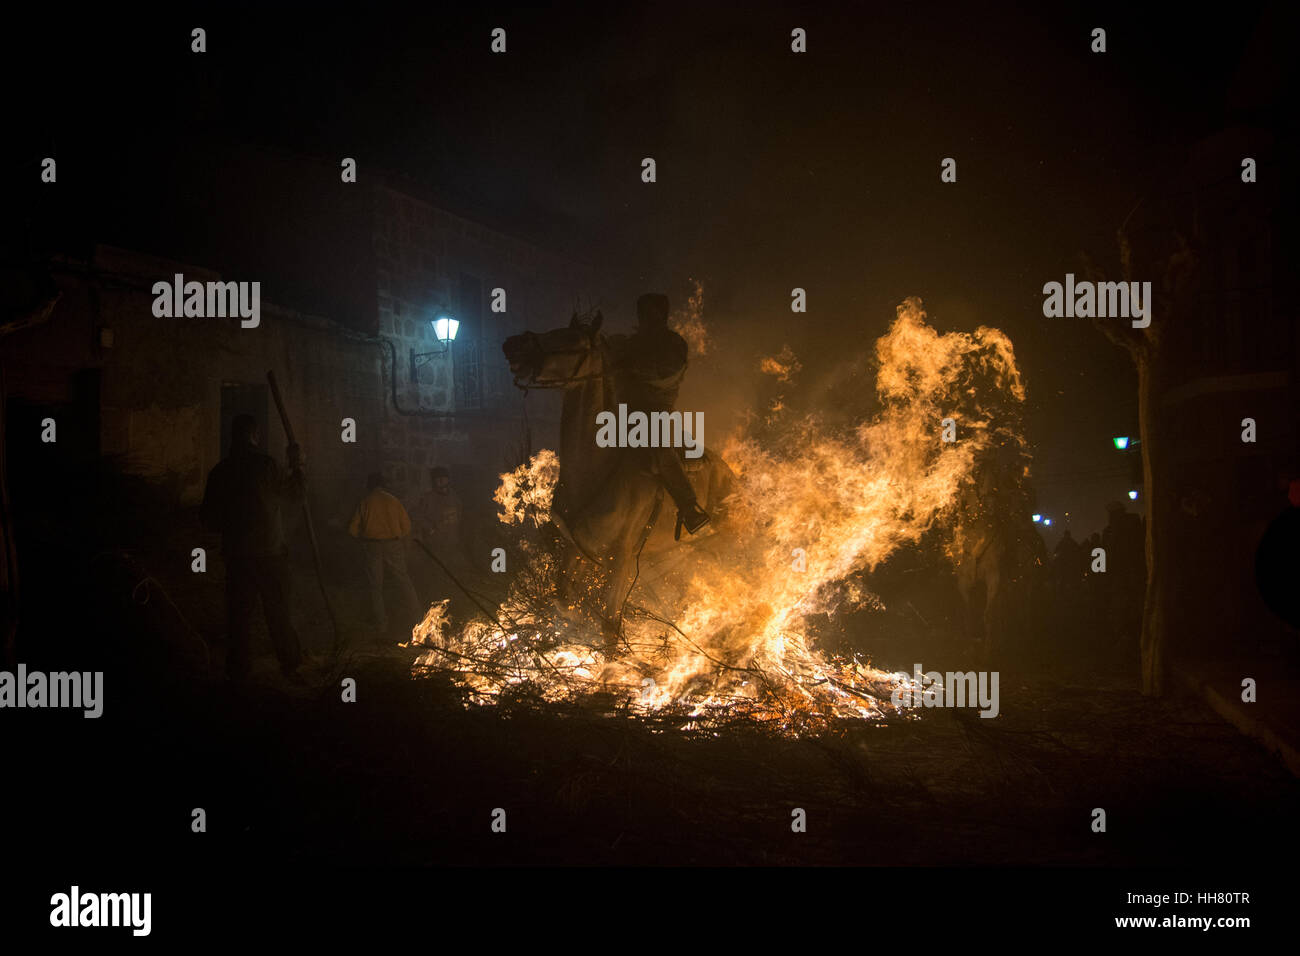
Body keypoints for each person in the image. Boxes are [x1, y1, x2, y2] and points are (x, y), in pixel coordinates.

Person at [200, 414, 305, 683]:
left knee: (238, 616)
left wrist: (233, 526)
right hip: (269, 552)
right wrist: (297, 466)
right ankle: (290, 665)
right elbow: (295, 494)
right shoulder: (267, 466)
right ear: (255, 435)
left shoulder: (220, 471)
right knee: (278, 611)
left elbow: (208, 519)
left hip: (237, 556)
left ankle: (238, 671)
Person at [611, 293, 710, 533]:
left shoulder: (673, 344)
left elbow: (667, 375)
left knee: (660, 450)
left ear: (661, 314)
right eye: (643, 312)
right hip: (622, 412)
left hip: (656, 413)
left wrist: (633, 368)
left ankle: (689, 509)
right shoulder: (630, 343)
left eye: (651, 312)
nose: (646, 317)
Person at [349, 472, 422, 635]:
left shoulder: (365, 502)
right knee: (403, 580)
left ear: (370, 485)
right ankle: (418, 617)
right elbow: (407, 527)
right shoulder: (393, 501)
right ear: (383, 484)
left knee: (376, 586)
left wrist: (363, 537)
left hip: (372, 545)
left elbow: (353, 530)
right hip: (393, 544)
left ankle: (381, 624)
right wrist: (400, 541)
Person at [414, 466, 466, 562]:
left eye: (443, 478)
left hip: (452, 539)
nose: (441, 481)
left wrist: (457, 525)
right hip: (435, 542)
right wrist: (430, 529)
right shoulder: (428, 498)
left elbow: (459, 511)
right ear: (434, 481)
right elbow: (418, 516)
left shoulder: (454, 495)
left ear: (448, 479)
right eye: (438, 479)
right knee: (436, 567)